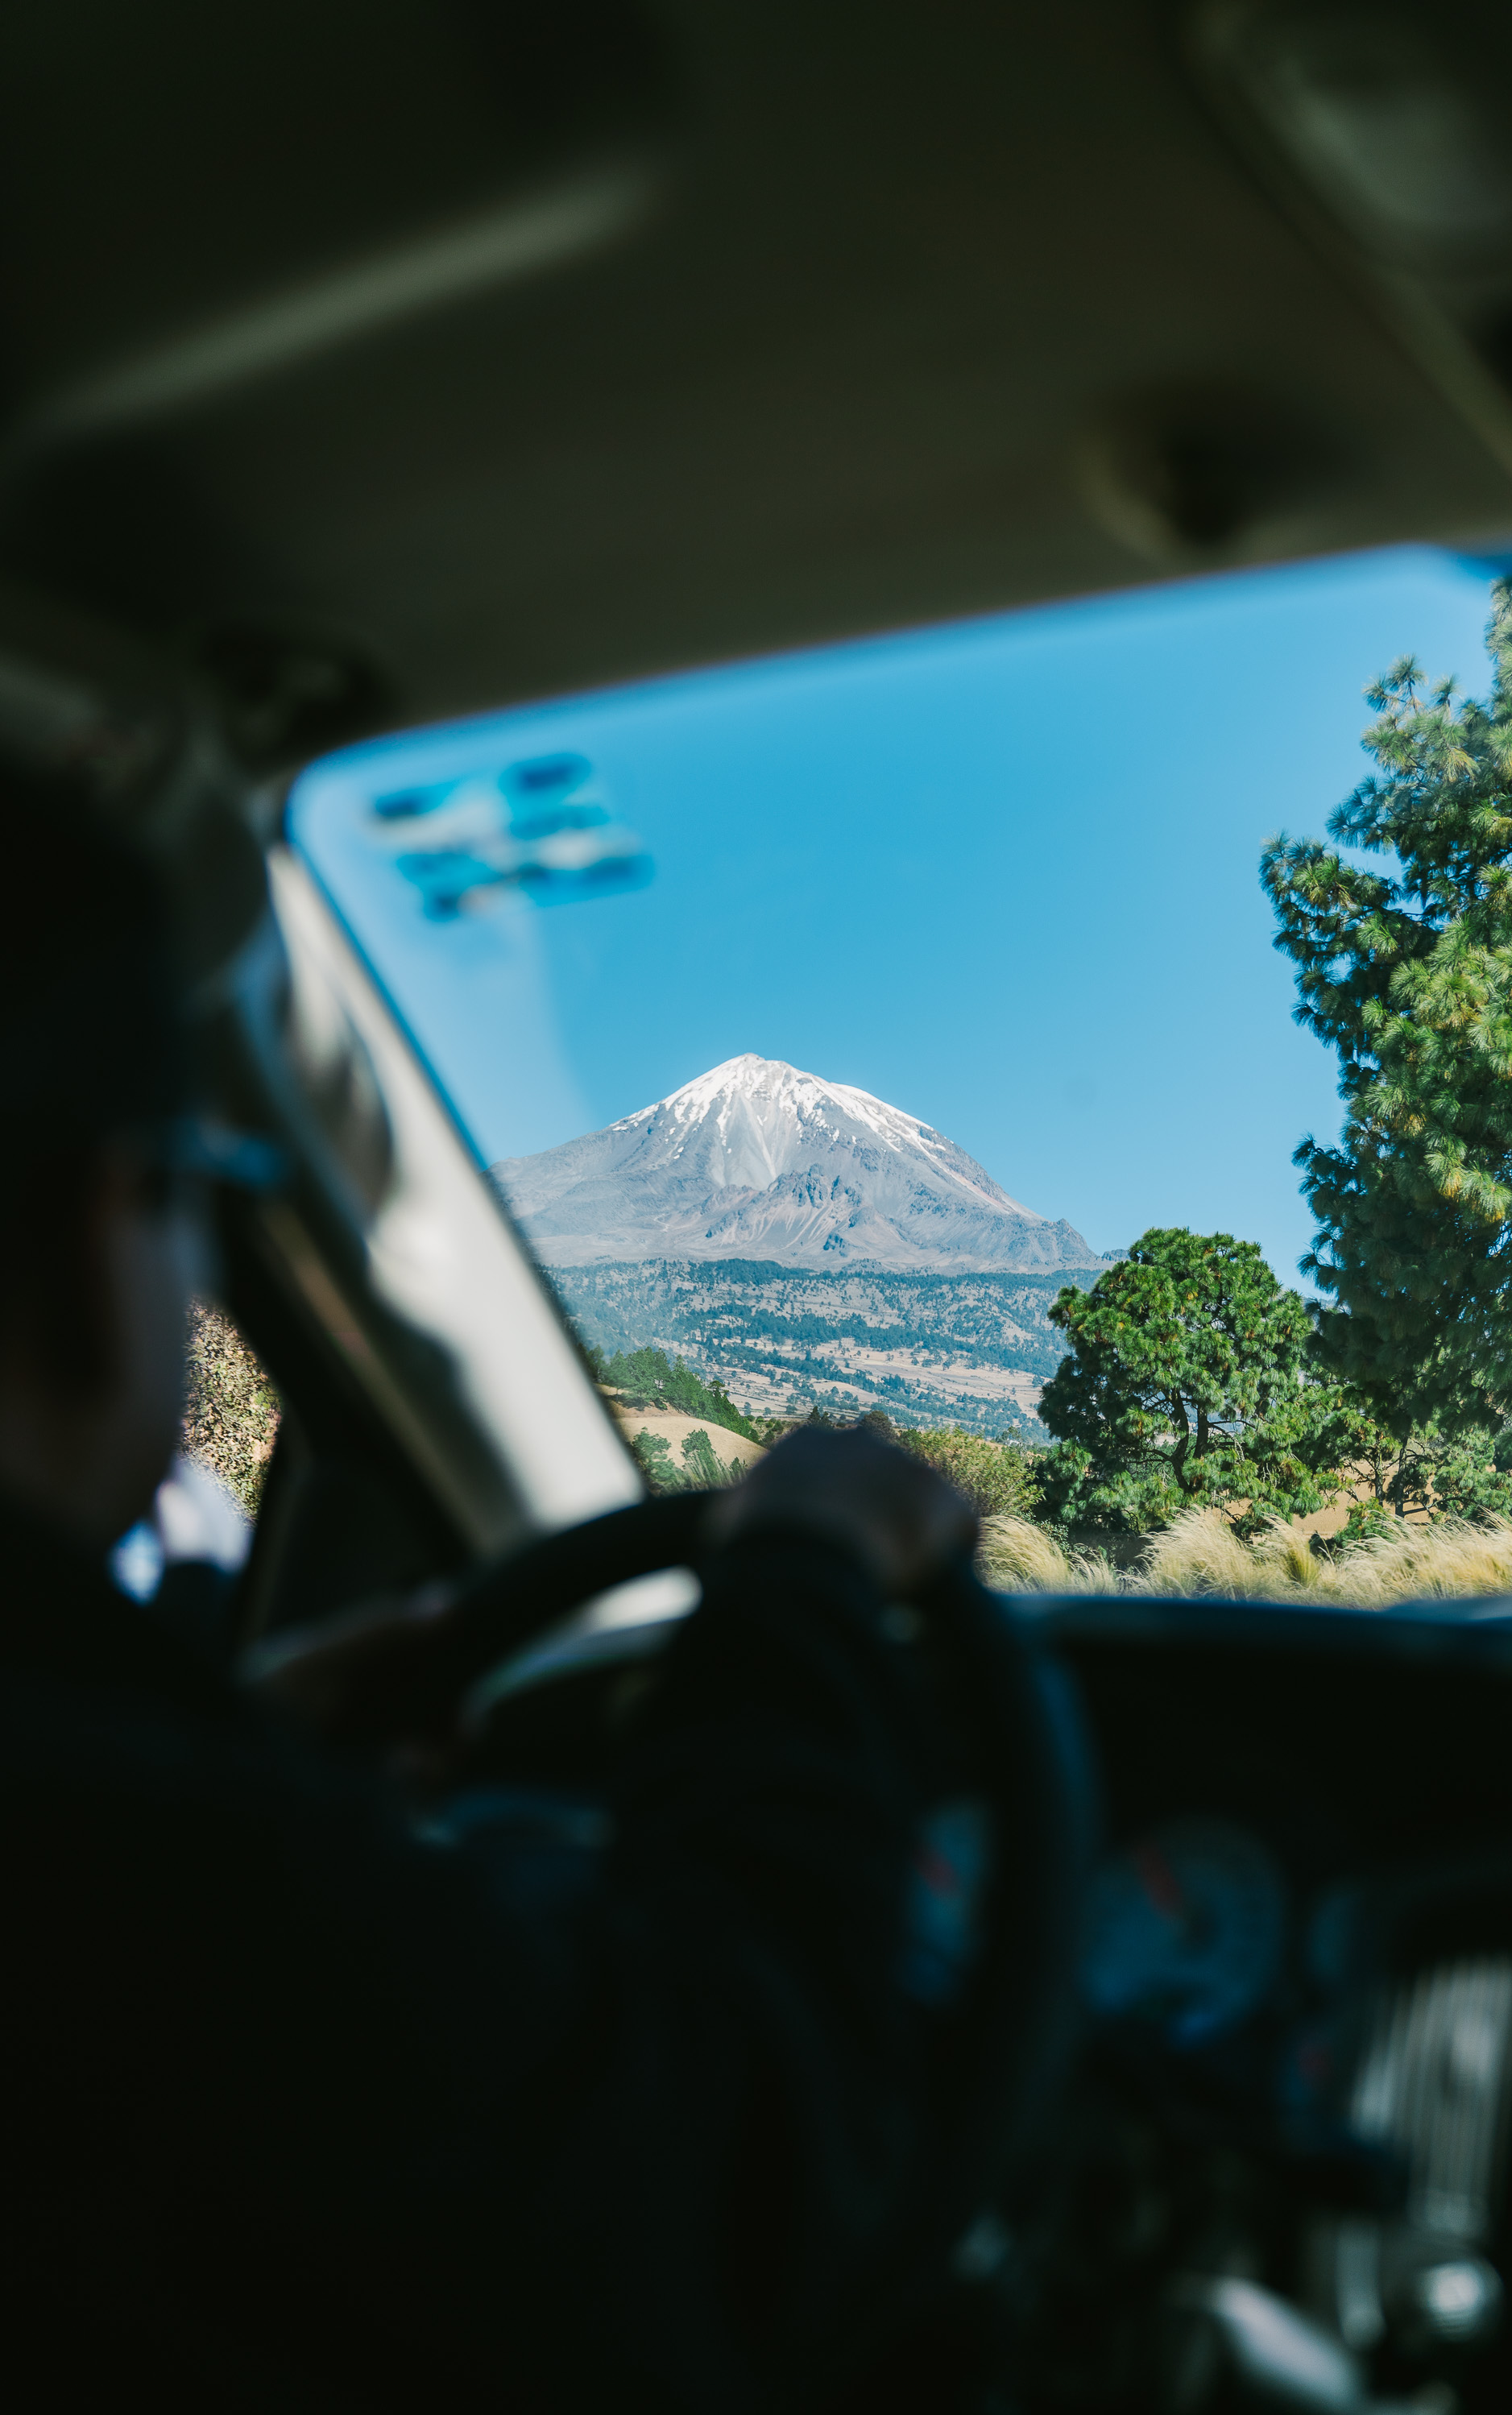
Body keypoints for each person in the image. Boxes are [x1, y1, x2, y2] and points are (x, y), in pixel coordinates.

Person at [0, 768, 978, 2412]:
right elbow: (734, 2202)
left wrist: (232, 1744)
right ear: (107, 1224)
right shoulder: (167, 1882)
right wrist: (805, 1574)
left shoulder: (111, 1818)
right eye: (202, 1189)